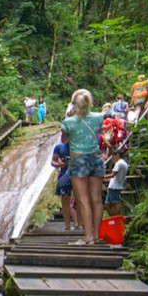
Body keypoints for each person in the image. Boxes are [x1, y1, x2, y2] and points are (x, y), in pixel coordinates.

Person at [61, 89, 105, 245]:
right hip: (96, 159)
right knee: (97, 199)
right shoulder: (99, 117)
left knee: (83, 200)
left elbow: (64, 141)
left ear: (73, 105)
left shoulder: (68, 123)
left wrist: (70, 116)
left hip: (78, 160)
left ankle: (88, 237)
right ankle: (96, 235)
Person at [51, 140, 77, 231]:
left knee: (81, 198)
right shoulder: (59, 147)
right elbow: (53, 162)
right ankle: (67, 225)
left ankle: (80, 224)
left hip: (79, 174)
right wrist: (60, 164)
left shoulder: (80, 145)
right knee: (65, 198)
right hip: (64, 176)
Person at [103, 152, 129, 217]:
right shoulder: (124, 163)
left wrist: (102, 177)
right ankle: (113, 217)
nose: (113, 159)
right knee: (106, 204)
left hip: (114, 187)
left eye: (113, 156)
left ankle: (116, 217)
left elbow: (112, 174)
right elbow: (116, 176)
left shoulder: (119, 163)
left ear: (117, 155)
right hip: (116, 185)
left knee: (115, 202)